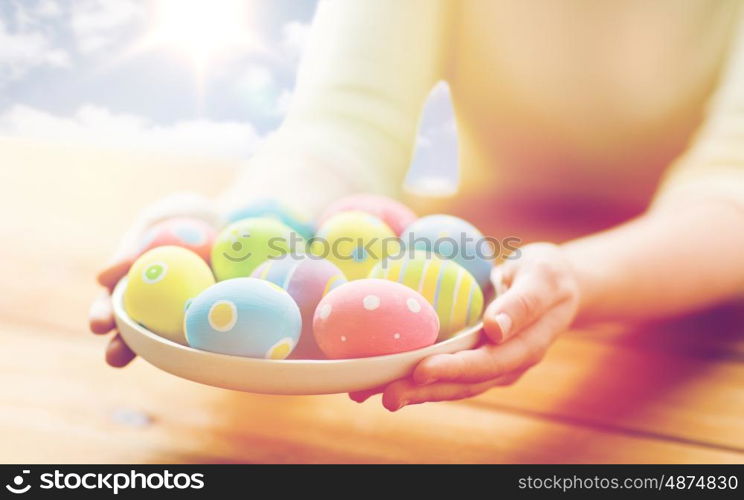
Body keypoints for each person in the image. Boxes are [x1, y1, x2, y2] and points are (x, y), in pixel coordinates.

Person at [89, 0, 744, 411]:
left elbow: (732, 191)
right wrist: (240, 224)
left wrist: (576, 278)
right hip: (502, 252)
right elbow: (349, 118)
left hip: (697, 318)